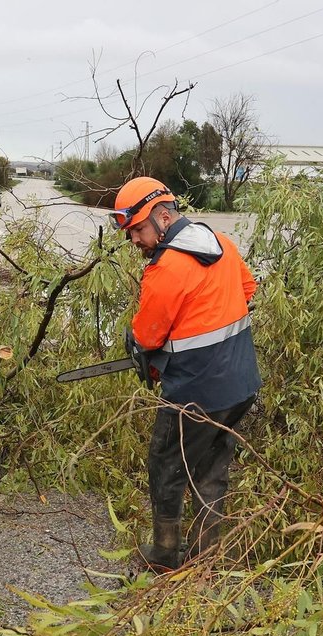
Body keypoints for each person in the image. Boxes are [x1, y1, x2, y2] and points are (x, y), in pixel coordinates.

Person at [109, 176, 261, 571]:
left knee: (166, 465)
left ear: (163, 216)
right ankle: (207, 555)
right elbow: (248, 290)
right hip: (240, 382)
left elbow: (147, 334)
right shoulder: (221, 243)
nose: (136, 242)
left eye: (138, 230)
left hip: (197, 393)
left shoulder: (166, 267)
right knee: (211, 468)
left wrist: (151, 350)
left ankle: (164, 554)